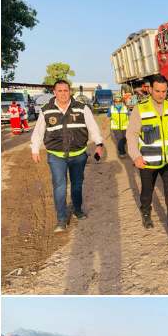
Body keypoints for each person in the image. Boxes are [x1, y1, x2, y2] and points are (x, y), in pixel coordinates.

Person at [30, 79, 104, 233]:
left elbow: (93, 127)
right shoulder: (46, 110)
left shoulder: (82, 108)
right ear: (54, 92)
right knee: (60, 187)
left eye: (66, 90)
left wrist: (99, 144)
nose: (63, 94)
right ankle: (61, 219)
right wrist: (35, 149)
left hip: (78, 155)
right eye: (60, 91)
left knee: (77, 185)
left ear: (70, 92)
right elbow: (38, 131)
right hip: (56, 156)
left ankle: (77, 210)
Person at [126, 74, 168, 242]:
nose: (161, 95)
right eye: (157, 91)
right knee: (147, 191)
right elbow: (131, 134)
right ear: (150, 89)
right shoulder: (140, 108)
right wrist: (136, 156)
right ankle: (146, 211)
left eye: (164, 91)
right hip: (147, 161)